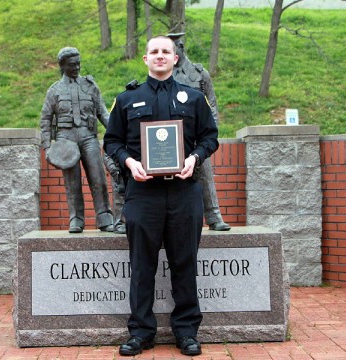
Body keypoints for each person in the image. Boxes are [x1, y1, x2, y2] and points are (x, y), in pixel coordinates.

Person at [103, 35, 219, 357]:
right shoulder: (127, 100)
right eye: (154, 51)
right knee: (142, 265)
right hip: (143, 193)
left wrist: (194, 158)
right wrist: (130, 162)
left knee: (185, 262)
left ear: (175, 58)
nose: (160, 56)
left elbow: (210, 137)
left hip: (184, 191)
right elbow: (111, 141)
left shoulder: (194, 98)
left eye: (165, 51)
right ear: (145, 59)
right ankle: (141, 332)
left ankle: (186, 332)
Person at [40, 46, 113, 233]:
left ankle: (105, 217)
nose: (77, 67)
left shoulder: (90, 86)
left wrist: (117, 132)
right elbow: (46, 119)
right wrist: (47, 147)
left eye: (79, 63)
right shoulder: (54, 91)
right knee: (72, 182)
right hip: (66, 139)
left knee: (98, 178)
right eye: (73, 64)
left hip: (89, 136)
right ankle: (76, 219)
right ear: (63, 66)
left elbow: (103, 113)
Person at [167, 32, 231, 232]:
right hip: (171, 138)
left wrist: (210, 132)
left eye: (172, 49)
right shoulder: (165, 74)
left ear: (181, 48)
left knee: (205, 175)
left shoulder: (199, 74)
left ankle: (214, 217)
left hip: (196, 136)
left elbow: (211, 103)